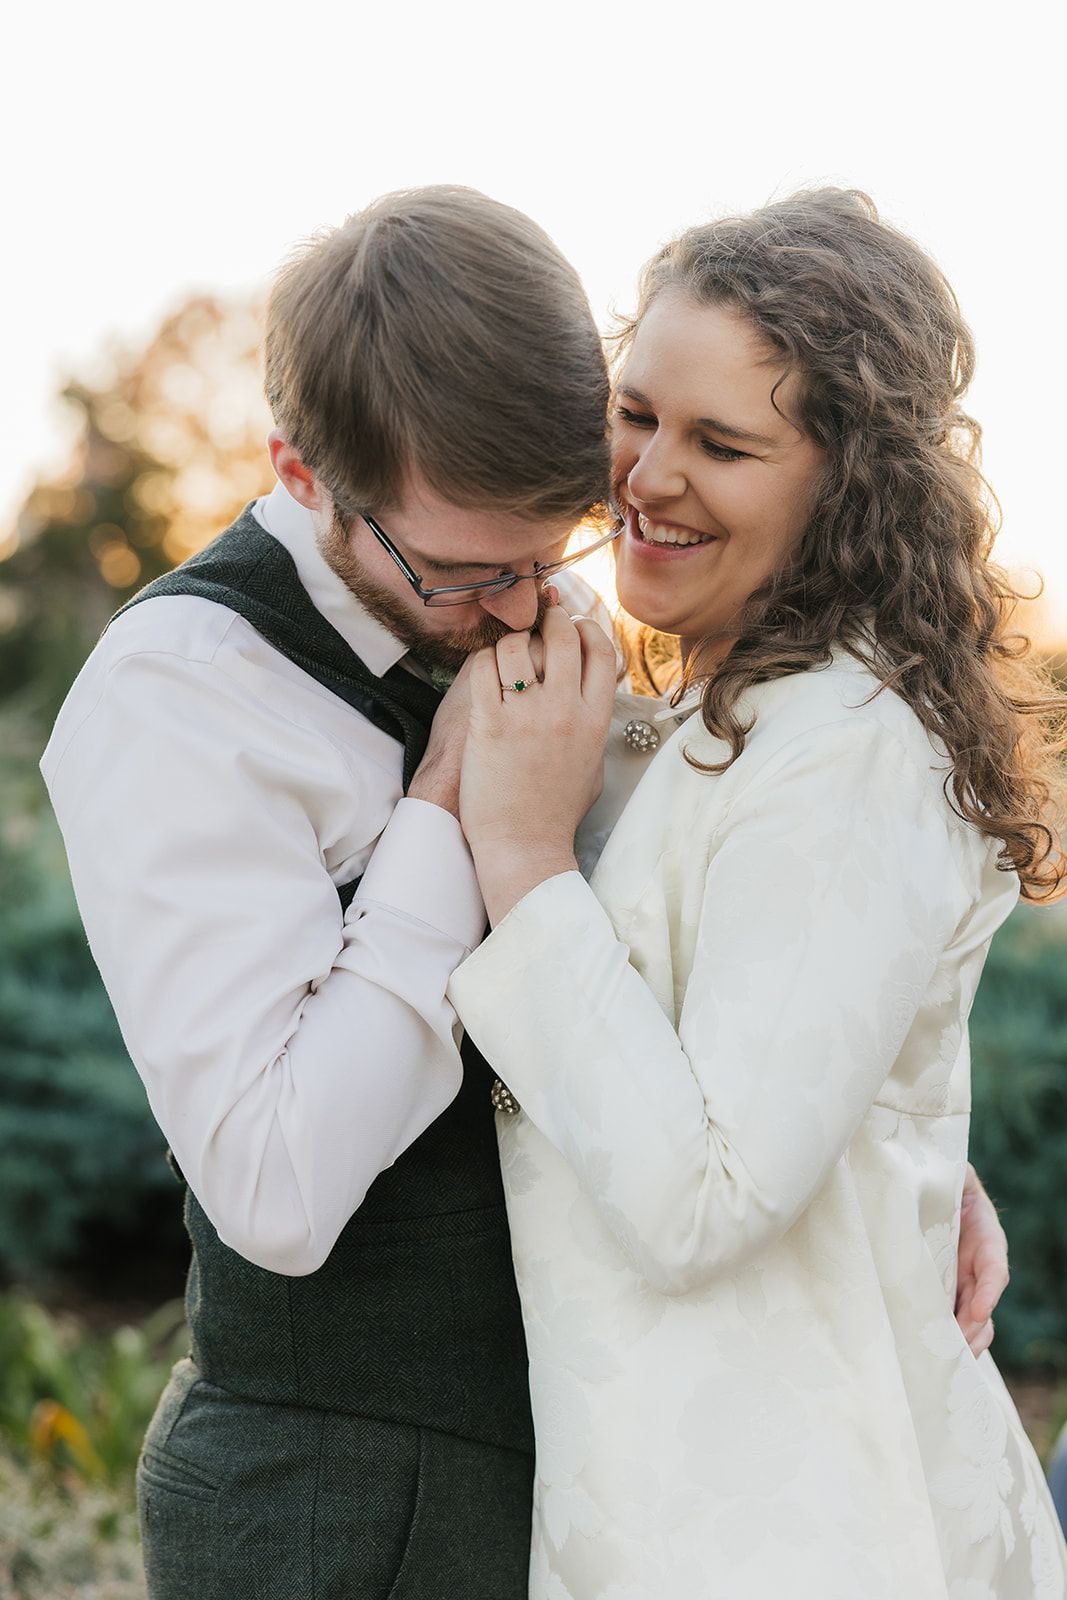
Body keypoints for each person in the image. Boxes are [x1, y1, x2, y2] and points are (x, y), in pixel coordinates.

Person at [41, 186, 1006, 1597]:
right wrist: (452, 827)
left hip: (585, 1471)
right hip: (346, 1500)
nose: (512, 607)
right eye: (461, 571)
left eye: (542, 556)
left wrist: (868, 1139)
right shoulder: (182, 691)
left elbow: (687, 978)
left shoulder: (556, 627)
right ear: (301, 471)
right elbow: (279, 1187)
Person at [446, 189, 1067, 1598]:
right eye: (637, 413)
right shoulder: (733, 704)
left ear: (848, 485)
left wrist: (528, 868)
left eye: (722, 443)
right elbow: (746, 1057)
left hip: (807, 1527)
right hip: (687, 1500)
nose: (648, 475)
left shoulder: (851, 746)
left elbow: (704, 1196)